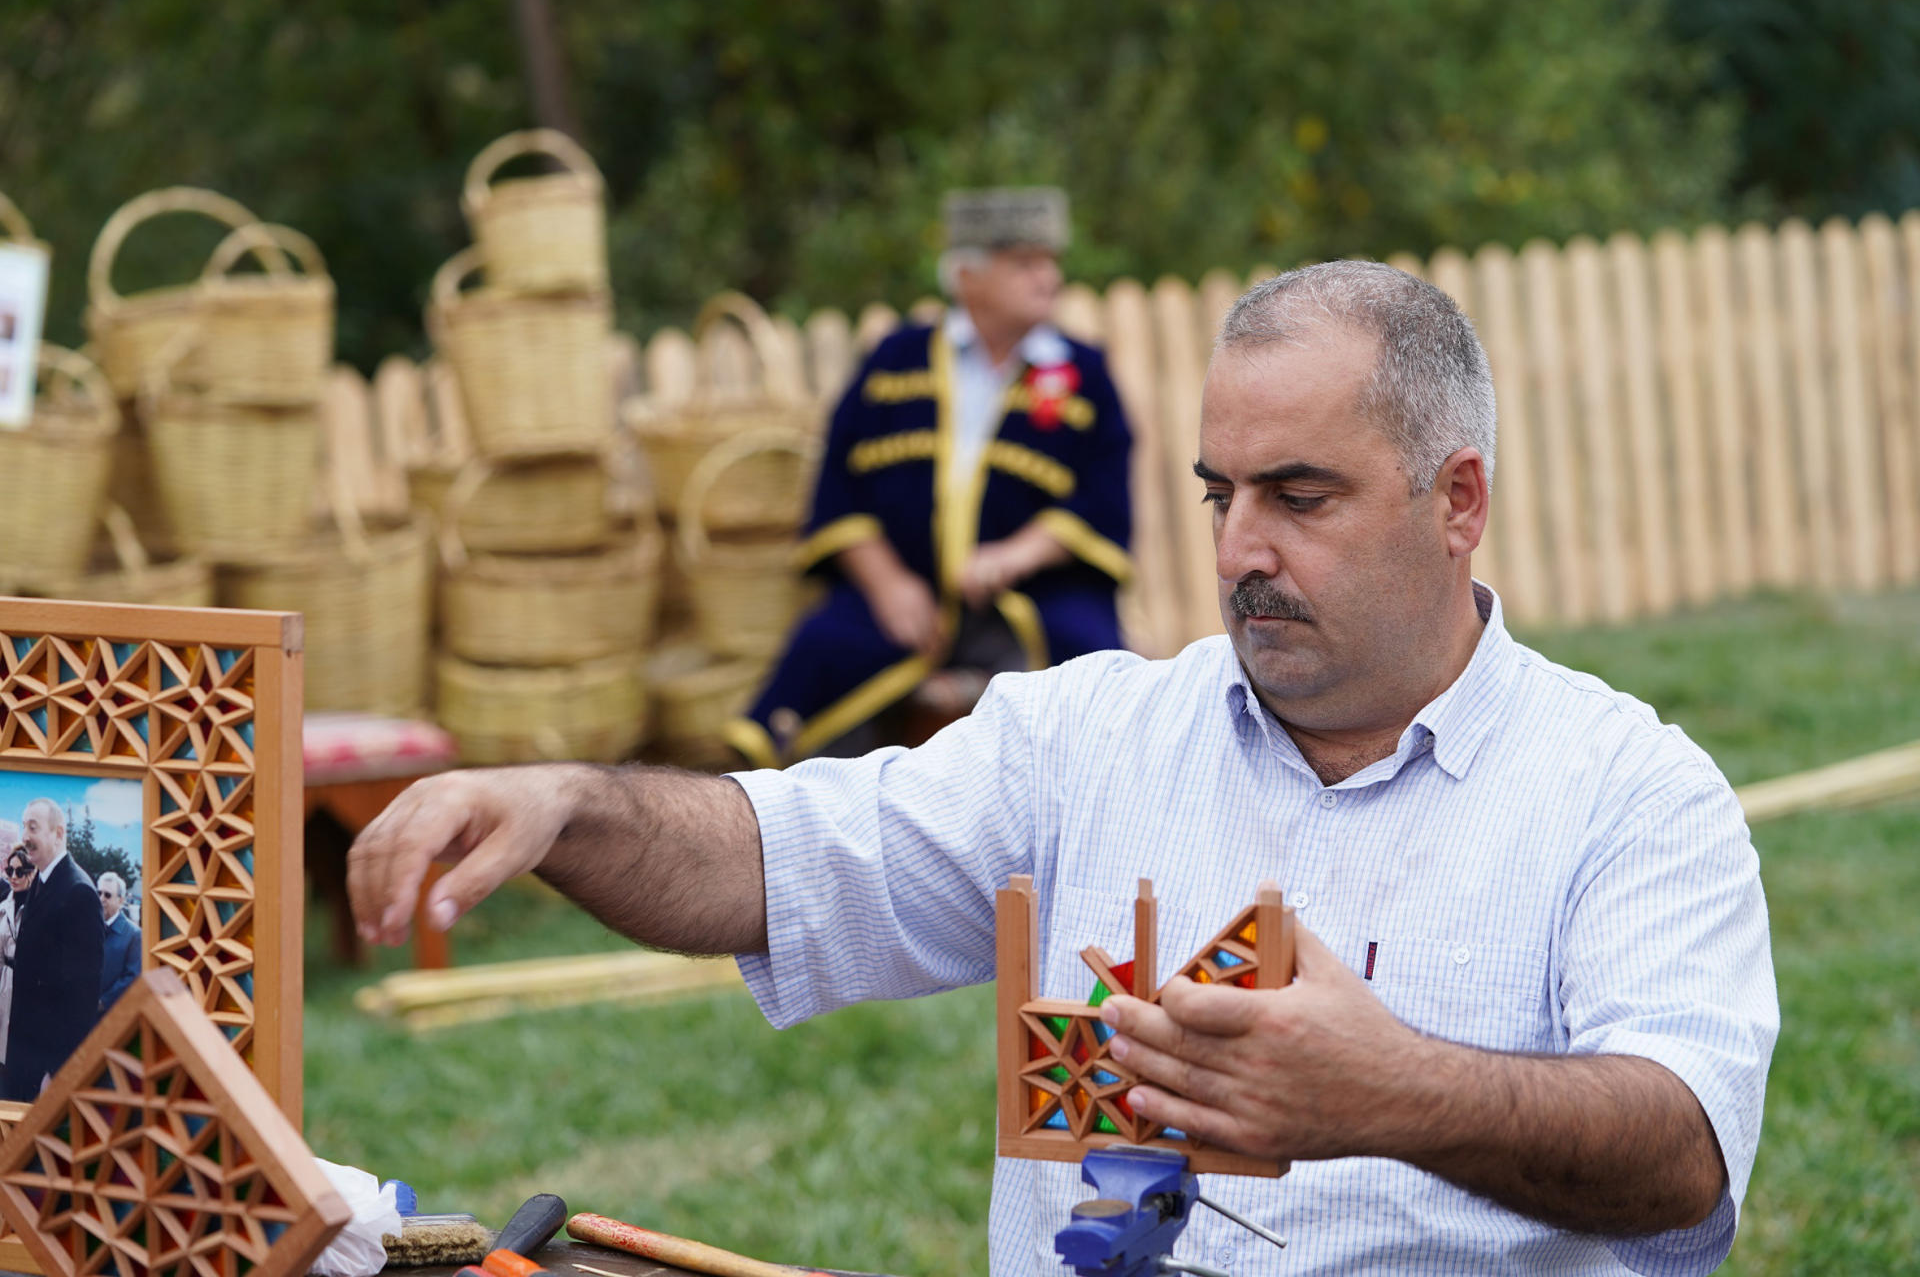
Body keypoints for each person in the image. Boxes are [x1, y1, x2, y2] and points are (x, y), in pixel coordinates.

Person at [349, 262, 1777, 1275]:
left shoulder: (1631, 792)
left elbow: (1684, 1159)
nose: (1237, 553)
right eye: (1223, 495)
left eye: (1300, 496)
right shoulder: (1083, 738)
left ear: (1456, 500)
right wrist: (565, 802)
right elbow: (776, 858)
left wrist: (1389, 1093)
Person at [725, 187, 1134, 766]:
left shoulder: (1082, 372)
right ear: (967, 275)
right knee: (823, 656)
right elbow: (839, 486)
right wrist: (887, 583)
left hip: (1032, 597)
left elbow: (1103, 493)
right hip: (899, 599)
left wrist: (1013, 556)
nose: (1048, 277)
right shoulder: (895, 359)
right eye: (1024, 263)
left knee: (1094, 681)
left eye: (1051, 261)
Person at [6, 798, 104, 1101]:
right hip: (24, 1056)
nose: (25, 837)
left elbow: (82, 999)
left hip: (46, 1068)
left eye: (33, 827)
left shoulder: (79, 893)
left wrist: (58, 1070)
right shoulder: (42, 882)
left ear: (58, 833)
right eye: (24, 827)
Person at [0, 842, 29, 1084]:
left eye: (20, 871)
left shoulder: (39, 907)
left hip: (29, 984)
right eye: (10, 871)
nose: (14, 877)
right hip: (4, 981)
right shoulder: (3, 908)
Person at [97, 871, 140, 1014]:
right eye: (99, 893)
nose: (101, 899)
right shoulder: (89, 926)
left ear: (121, 900)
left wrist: (103, 1002)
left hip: (111, 1017)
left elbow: (132, 977)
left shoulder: (134, 934)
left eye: (107, 895)